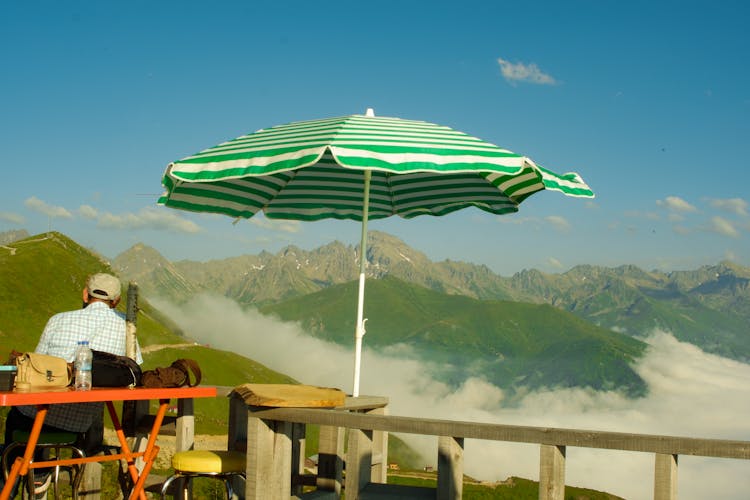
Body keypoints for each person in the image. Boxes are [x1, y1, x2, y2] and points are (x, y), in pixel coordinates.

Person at [3, 273, 143, 496]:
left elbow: (38, 365)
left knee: (15, 432)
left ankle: (15, 482)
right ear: (115, 301)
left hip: (37, 414)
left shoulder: (59, 319)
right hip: (80, 424)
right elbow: (133, 368)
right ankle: (39, 471)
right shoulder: (126, 329)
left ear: (85, 294)